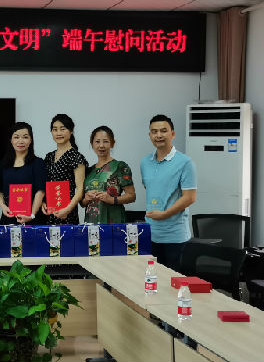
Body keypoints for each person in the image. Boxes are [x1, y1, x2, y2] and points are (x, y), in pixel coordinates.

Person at [140, 114, 197, 269]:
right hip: (151, 234)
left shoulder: (185, 162)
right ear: (150, 135)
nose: (158, 135)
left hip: (175, 237)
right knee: (153, 278)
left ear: (172, 134)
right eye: (154, 131)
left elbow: (190, 197)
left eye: (163, 131)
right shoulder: (145, 162)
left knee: (173, 281)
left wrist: (165, 214)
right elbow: (151, 189)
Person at [81, 126, 136, 224]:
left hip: (114, 222)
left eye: (105, 141)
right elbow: (82, 203)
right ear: (92, 144)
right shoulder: (88, 171)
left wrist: (112, 200)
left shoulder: (120, 166)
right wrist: (86, 198)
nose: (101, 145)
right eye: (97, 142)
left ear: (112, 143)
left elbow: (131, 196)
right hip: (91, 223)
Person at [40, 114, 87, 225]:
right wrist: (42, 202)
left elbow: (80, 189)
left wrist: (68, 209)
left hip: (66, 212)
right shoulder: (49, 156)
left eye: (63, 129)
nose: (58, 133)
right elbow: (44, 183)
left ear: (71, 131)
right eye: (55, 129)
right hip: (48, 211)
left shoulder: (76, 157)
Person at [0, 122, 46, 225]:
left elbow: (40, 192)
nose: (20, 141)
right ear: (11, 140)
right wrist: (3, 206)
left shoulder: (38, 163)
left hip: (32, 219)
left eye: (25, 137)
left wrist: (32, 215)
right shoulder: (3, 164)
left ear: (30, 140)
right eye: (16, 137)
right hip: (9, 217)